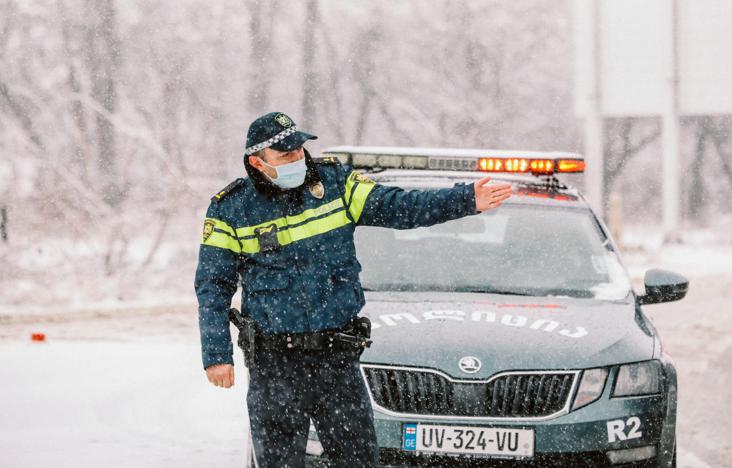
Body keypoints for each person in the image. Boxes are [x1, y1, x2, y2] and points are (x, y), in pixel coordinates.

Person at [195, 111, 512, 467]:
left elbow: (401, 207)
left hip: (337, 361)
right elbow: (212, 286)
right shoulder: (231, 210)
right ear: (257, 161)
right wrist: (216, 354)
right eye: (285, 156)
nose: (298, 159)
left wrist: (466, 200)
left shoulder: (336, 185)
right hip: (275, 367)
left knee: (358, 461)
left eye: (299, 150)